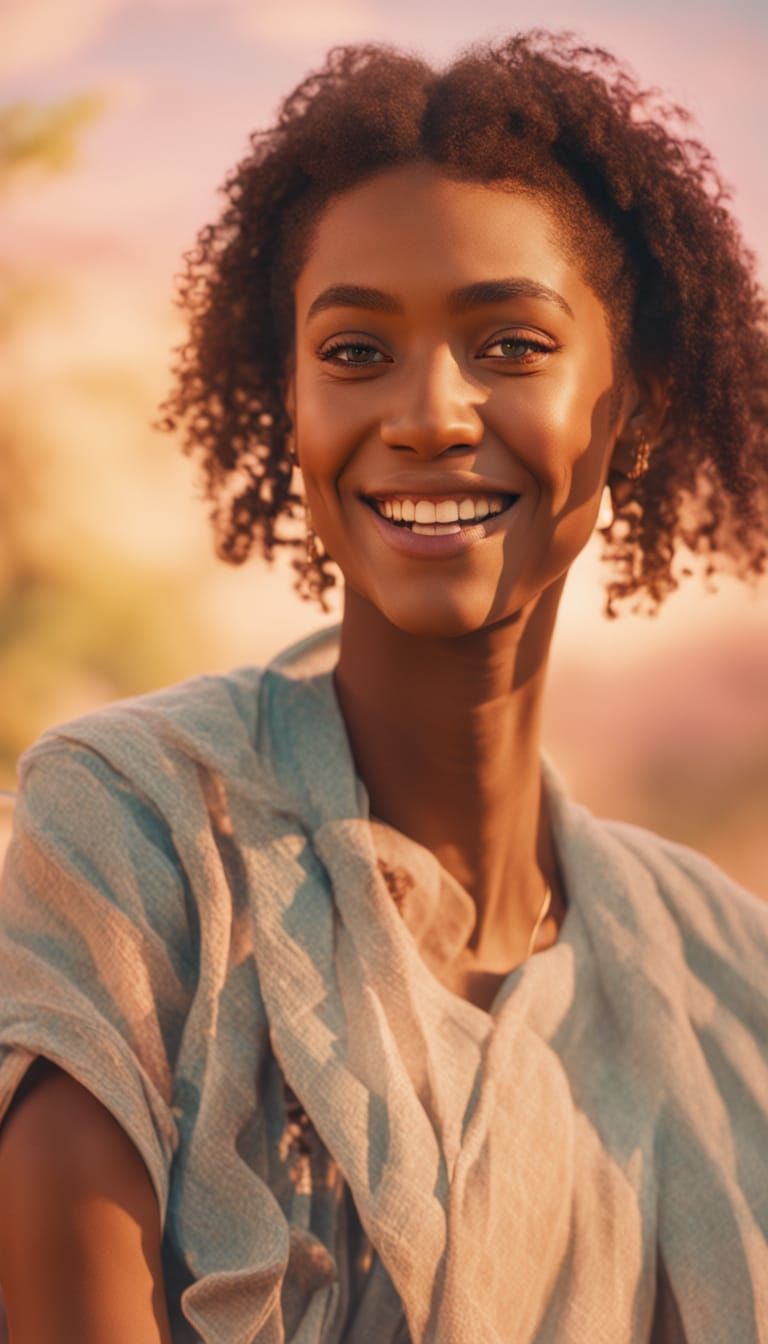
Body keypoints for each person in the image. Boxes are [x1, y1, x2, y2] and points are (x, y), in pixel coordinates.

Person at [0, 29, 767, 1344]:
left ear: (626, 410)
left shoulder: (729, 975)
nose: (429, 412)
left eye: (512, 344)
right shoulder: (141, 831)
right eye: (355, 351)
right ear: (287, 409)